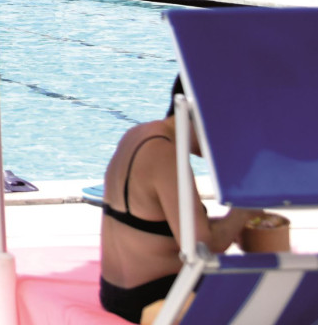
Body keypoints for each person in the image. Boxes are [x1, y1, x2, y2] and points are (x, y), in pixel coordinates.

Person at [98, 78, 254, 323]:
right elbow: (202, 249)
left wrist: (226, 224)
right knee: (272, 291)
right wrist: (244, 210)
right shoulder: (164, 154)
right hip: (155, 299)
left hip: (115, 292)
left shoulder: (140, 134)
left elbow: (164, 227)